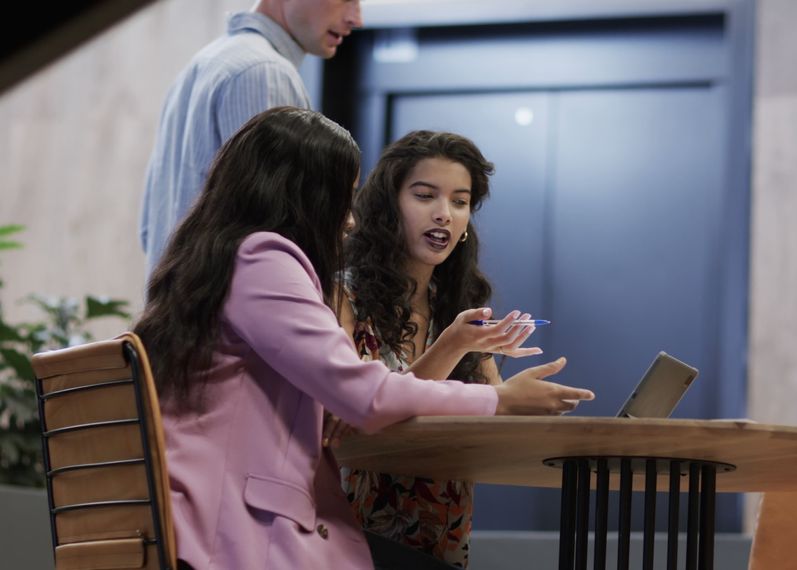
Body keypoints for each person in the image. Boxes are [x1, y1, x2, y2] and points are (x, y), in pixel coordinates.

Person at [133, 107, 594, 570]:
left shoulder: (223, 260)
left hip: (236, 519)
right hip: (240, 529)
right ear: (306, 194)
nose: (349, 220)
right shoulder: (265, 260)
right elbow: (363, 398)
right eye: (343, 196)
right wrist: (502, 400)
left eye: (460, 201)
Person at [337, 131, 540, 567]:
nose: (444, 215)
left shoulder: (458, 308)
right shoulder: (343, 297)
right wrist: (453, 346)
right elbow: (365, 416)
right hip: (352, 536)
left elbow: (492, 416)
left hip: (443, 536)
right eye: (425, 196)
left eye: (460, 201)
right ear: (388, 205)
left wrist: (525, 399)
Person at [139, 0, 362, 277]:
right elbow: (272, 235)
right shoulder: (264, 72)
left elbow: (150, 225)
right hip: (229, 311)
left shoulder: (208, 59)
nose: (356, 18)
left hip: (183, 305)